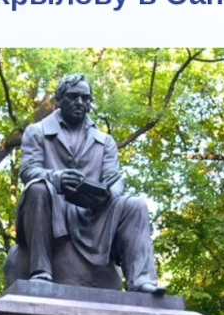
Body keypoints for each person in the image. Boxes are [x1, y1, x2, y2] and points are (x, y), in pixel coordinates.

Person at [15, 74, 164, 294]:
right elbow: (28, 170)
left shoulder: (105, 141)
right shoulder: (37, 131)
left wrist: (108, 194)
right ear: (59, 99)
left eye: (85, 98)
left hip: (92, 216)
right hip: (51, 209)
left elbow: (115, 180)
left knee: (136, 205)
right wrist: (57, 179)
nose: (80, 102)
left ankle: (141, 280)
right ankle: (41, 272)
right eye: (73, 96)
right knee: (37, 187)